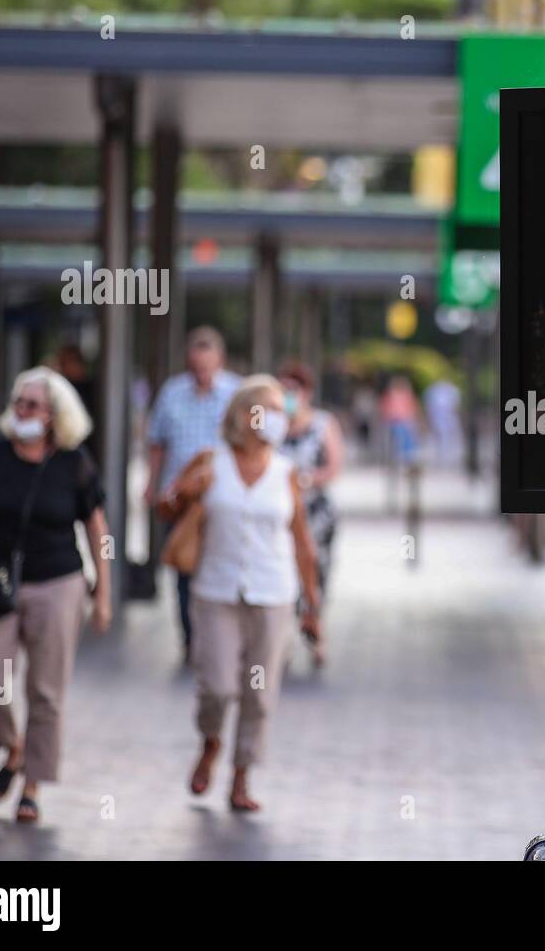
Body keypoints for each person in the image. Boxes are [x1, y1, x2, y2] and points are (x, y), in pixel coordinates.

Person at [0, 368, 112, 824]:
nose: (21, 411)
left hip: (58, 581)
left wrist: (104, 591)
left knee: (46, 690)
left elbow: (96, 526)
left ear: (53, 416)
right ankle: (14, 748)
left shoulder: (73, 462)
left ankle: (34, 786)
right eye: (18, 402)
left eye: (32, 405)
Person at [159, 376, 320, 812]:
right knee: (217, 685)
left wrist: (312, 605)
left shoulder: (287, 473)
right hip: (215, 590)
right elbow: (165, 508)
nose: (275, 418)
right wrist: (182, 492)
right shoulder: (211, 461)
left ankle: (241, 776)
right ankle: (210, 740)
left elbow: (302, 540)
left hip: (273, 593)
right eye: (266, 408)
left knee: (259, 692)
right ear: (243, 415)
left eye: (280, 410)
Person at [145, 327, 241, 663]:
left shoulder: (235, 393)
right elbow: (157, 443)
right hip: (180, 498)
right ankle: (190, 637)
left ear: (220, 360)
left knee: (218, 565)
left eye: (207, 365)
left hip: (220, 499)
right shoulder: (173, 393)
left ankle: (219, 636)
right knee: (183, 564)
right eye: (196, 366)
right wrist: (152, 483)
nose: (201, 372)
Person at [278, 360, 344, 665]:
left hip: (315, 513)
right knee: (285, 572)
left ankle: (315, 629)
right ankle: (286, 637)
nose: (289, 396)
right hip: (281, 514)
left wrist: (308, 479)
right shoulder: (271, 424)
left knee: (315, 572)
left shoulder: (322, 423)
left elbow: (334, 466)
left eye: (295, 390)